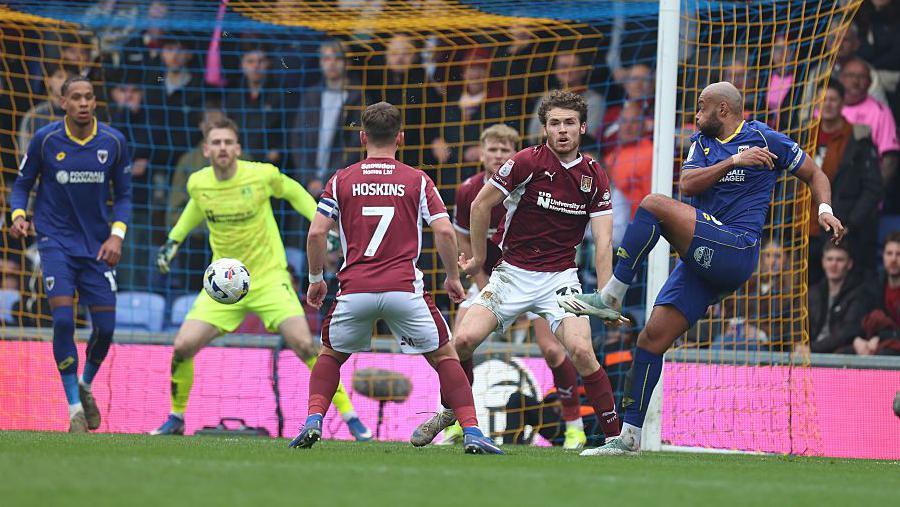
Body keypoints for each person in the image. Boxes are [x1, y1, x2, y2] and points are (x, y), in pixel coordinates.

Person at [560, 81, 846, 455]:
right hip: (703, 256)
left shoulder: (764, 138)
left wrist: (824, 209)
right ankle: (628, 437)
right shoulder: (703, 143)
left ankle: (612, 295)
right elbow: (688, 184)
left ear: (723, 109)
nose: (695, 115)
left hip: (737, 248)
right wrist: (732, 162)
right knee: (651, 340)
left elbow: (815, 174)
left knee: (652, 205)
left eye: (700, 107)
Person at [410, 89, 625, 449]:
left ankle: (617, 438)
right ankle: (450, 411)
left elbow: (603, 242)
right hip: (511, 274)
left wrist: (605, 296)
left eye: (569, 123)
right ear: (544, 129)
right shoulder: (527, 162)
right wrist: (478, 258)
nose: (562, 130)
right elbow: (480, 206)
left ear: (583, 128)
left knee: (582, 353)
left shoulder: (594, 175)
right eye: (554, 123)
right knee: (460, 342)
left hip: (560, 279)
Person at [289, 102, 502, 454]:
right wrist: (453, 278)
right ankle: (473, 432)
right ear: (401, 137)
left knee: (330, 355)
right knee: (445, 357)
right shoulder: (417, 180)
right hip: (404, 290)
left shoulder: (341, 179)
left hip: (355, 289)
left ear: (362, 137)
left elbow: (315, 235)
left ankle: (313, 421)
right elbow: (446, 232)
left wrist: (315, 279)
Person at [152, 116, 371, 441]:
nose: (223, 148)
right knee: (182, 346)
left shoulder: (261, 175)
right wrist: (173, 240)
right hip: (222, 286)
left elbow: (294, 192)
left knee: (304, 344)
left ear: (237, 148)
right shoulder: (198, 182)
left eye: (228, 142)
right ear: (206, 149)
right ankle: (176, 416)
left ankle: (351, 417)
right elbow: (197, 208)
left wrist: (323, 225)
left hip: (269, 279)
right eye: (217, 143)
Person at [445, 123, 590, 449]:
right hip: (489, 277)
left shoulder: (532, 185)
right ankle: (457, 420)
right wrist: (486, 286)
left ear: (515, 155)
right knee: (460, 340)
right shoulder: (469, 191)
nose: (498, 156)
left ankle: (574, 426)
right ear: (481, 154)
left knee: (553, 349)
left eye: (505, 150)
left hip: (538, 275)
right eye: (492, 150)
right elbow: (463, 239)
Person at [9, 76, 132, 432]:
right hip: (54, 242)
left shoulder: (113, 141)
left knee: (106, 328)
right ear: (63, 102)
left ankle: (86, 383)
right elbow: (22, 184)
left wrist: (116, 236)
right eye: (75, 97)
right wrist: (19, 216)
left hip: (98, 247)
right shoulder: (45, 139)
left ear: (95, 102)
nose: (83, 103)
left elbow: (123, 196)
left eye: (89, 97)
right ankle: (75, 408)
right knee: (63, 320)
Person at [809, 80, 882, 281]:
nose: (828, 104)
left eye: (833, 99)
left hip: (841, 233)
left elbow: (873, 188)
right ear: (815, 102)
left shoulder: (858, 139)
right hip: (805, 230)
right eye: (824, 99)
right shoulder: (805, 136)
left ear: (842, 103)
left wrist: (851, 224)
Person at [805, 241, 869, 354]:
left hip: (836, 355)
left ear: (849, 264)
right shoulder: (813, 293)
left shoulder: (859, 293)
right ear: (823, 262)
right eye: (829, 259)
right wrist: (799, 345)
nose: (833, 264)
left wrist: (812, 348)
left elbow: (847, 332)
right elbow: (798, 324)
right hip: (808, 354)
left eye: (839, 260)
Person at [854, 232, 900, 356]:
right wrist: (857, 339)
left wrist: (882, 338)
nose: (893, 259)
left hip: (891, 346)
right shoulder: (873, 286)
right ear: (883, 256)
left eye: (898, 254)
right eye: (889, 253)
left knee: (886, 353)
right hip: (874, 342)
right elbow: (859, 318)